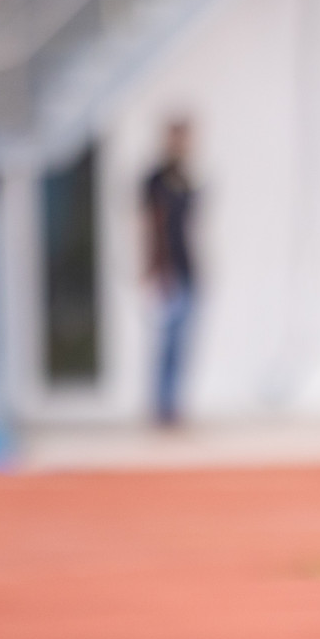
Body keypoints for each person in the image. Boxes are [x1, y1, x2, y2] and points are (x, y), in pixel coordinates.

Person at [142, 118, 197, 426]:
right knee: (167, 342)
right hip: (169, 270)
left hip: (188, 268)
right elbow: (152, 226)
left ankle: (173, 405)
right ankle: (162, 407)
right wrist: (155, 268)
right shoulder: (156, 179)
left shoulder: (186, 177)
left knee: (182, 343)